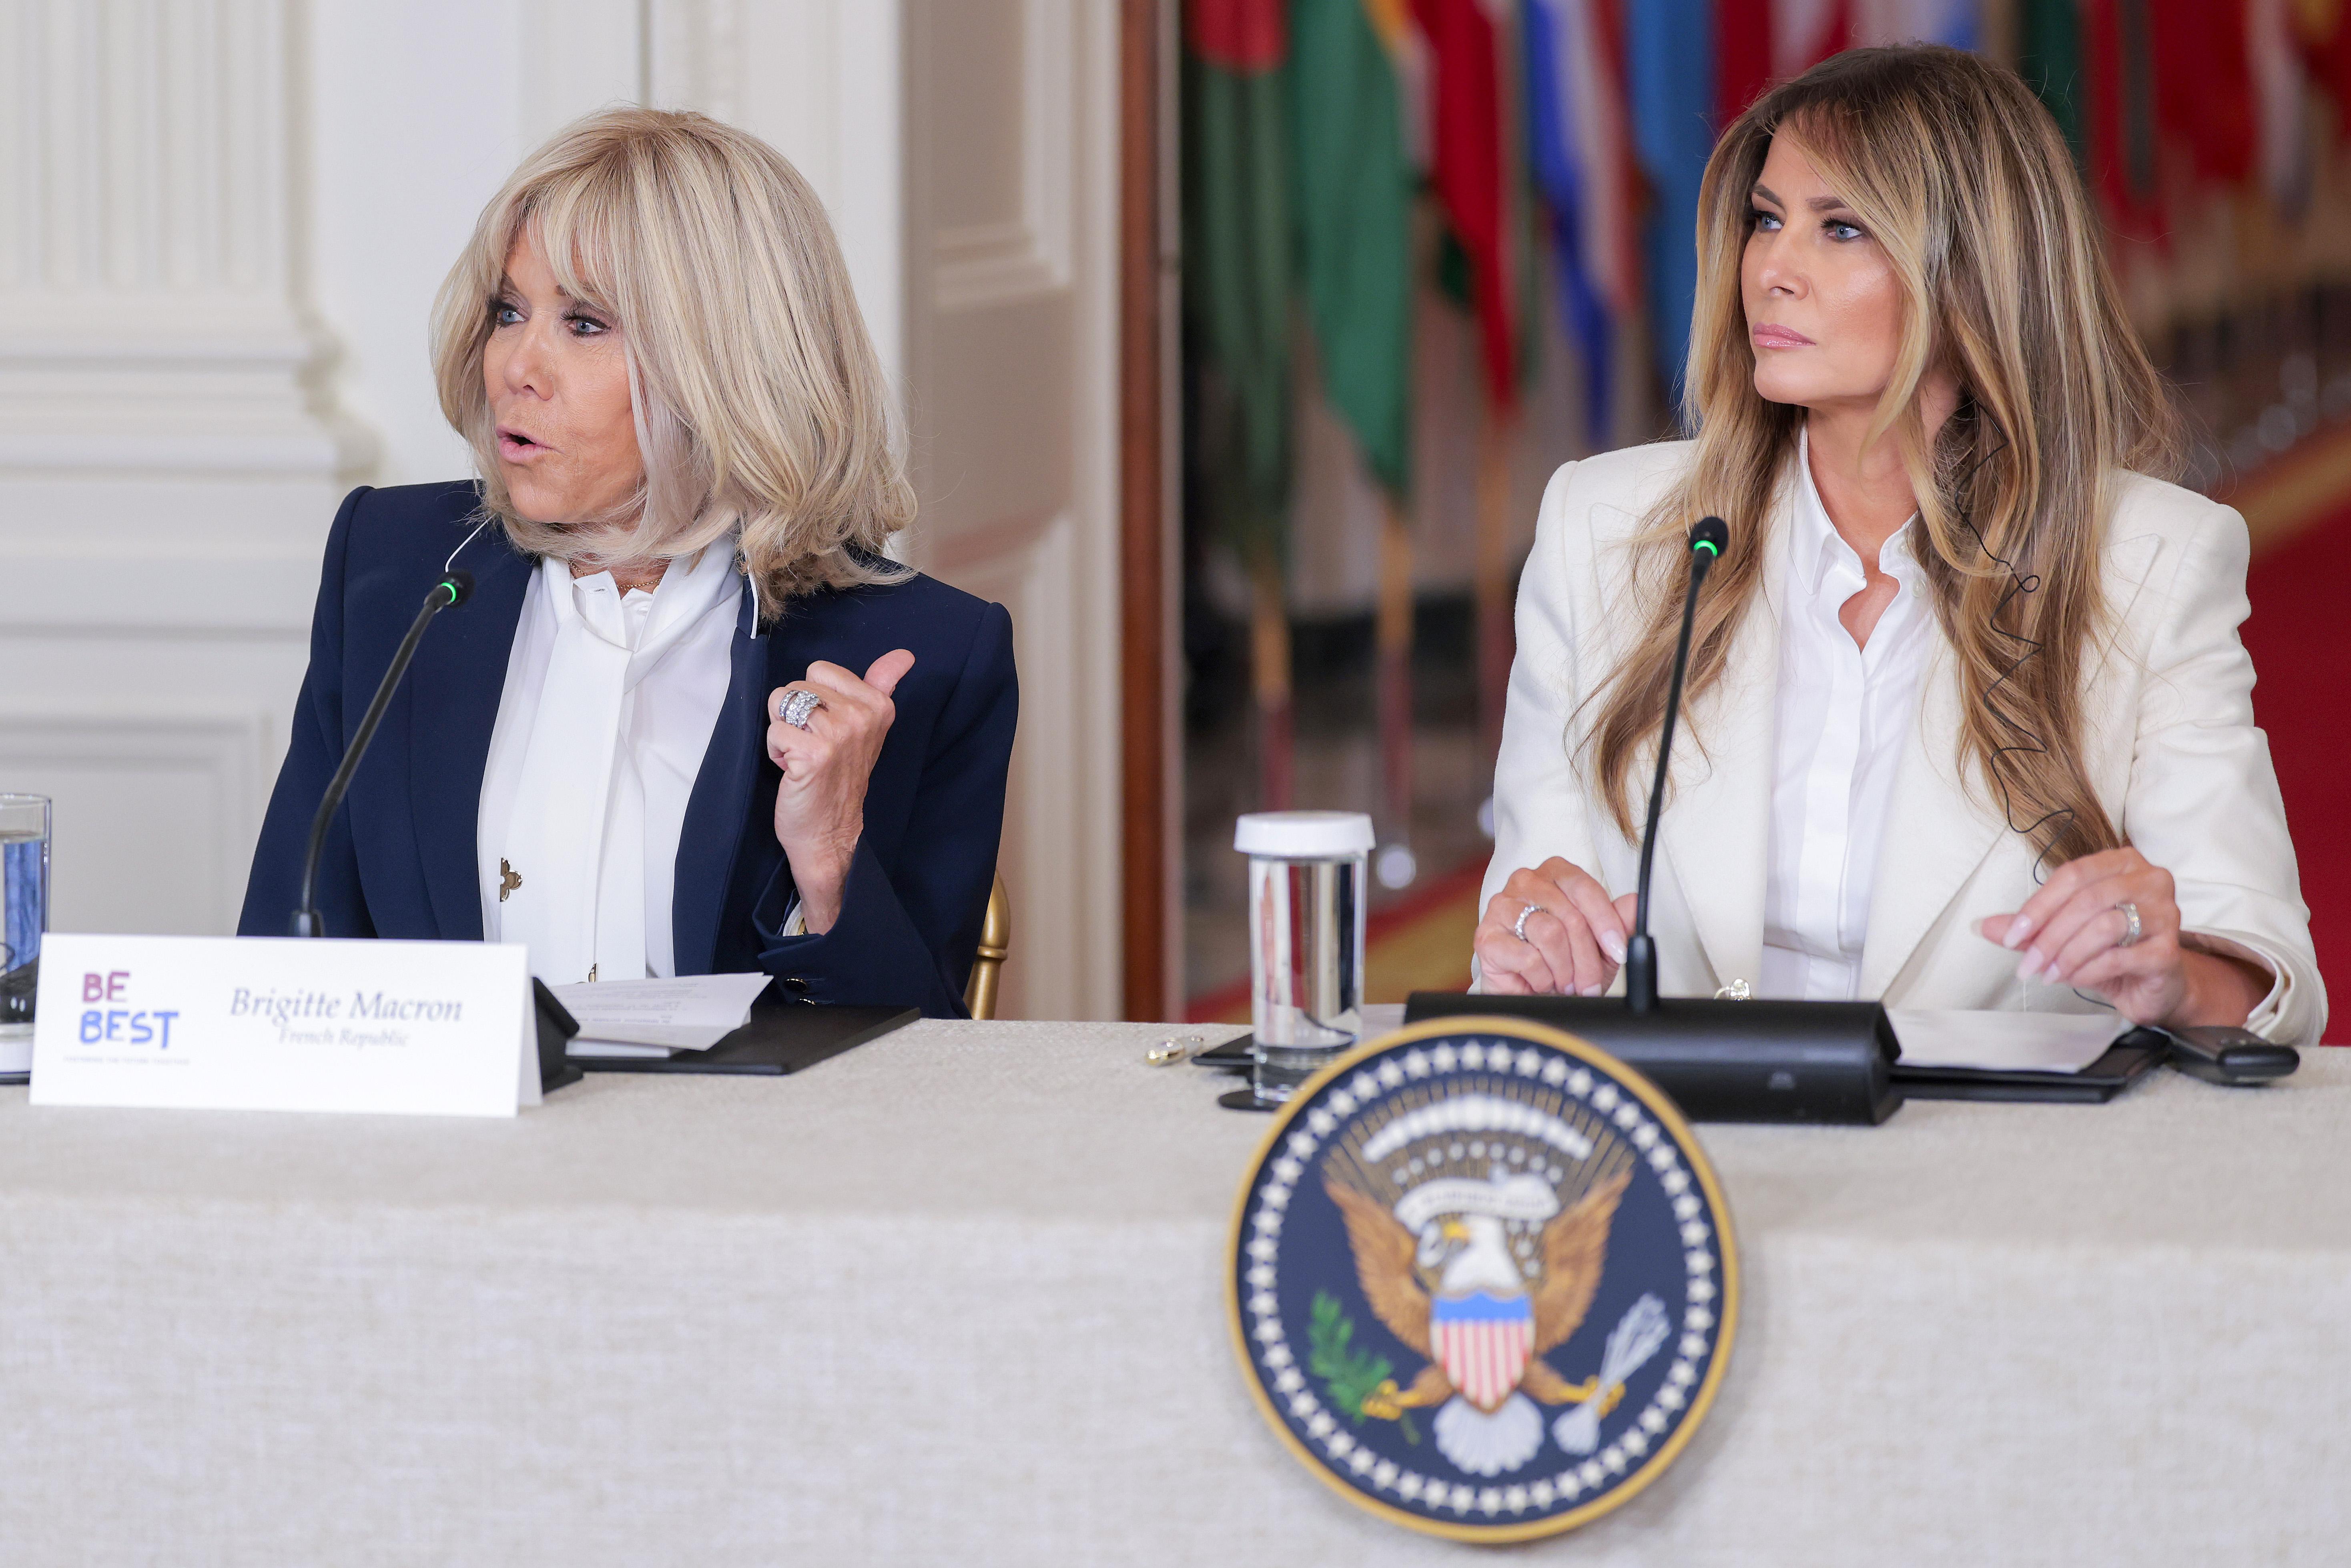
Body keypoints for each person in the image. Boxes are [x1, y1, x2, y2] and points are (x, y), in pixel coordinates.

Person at [1475, 46, 2326, 1045]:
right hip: (1696, 1146)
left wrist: (2166, 975)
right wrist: (1532, 937)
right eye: (1765, 219)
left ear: (1975, 277)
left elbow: (2271, 993)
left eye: (1840, 228)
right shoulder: (1602, 529)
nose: (1772, 270)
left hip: (1995, 1174)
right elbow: (1530, 934)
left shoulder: (2153, 560)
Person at [240, 108, 1015, 1019]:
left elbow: (923, 1078)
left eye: (585, 323)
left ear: (730, 365)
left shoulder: (918, 654)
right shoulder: (398, 572)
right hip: (446, 1155)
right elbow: (284, 968)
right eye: (508, 311)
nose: (516, 368)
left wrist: (831, 864)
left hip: (739, 1161)